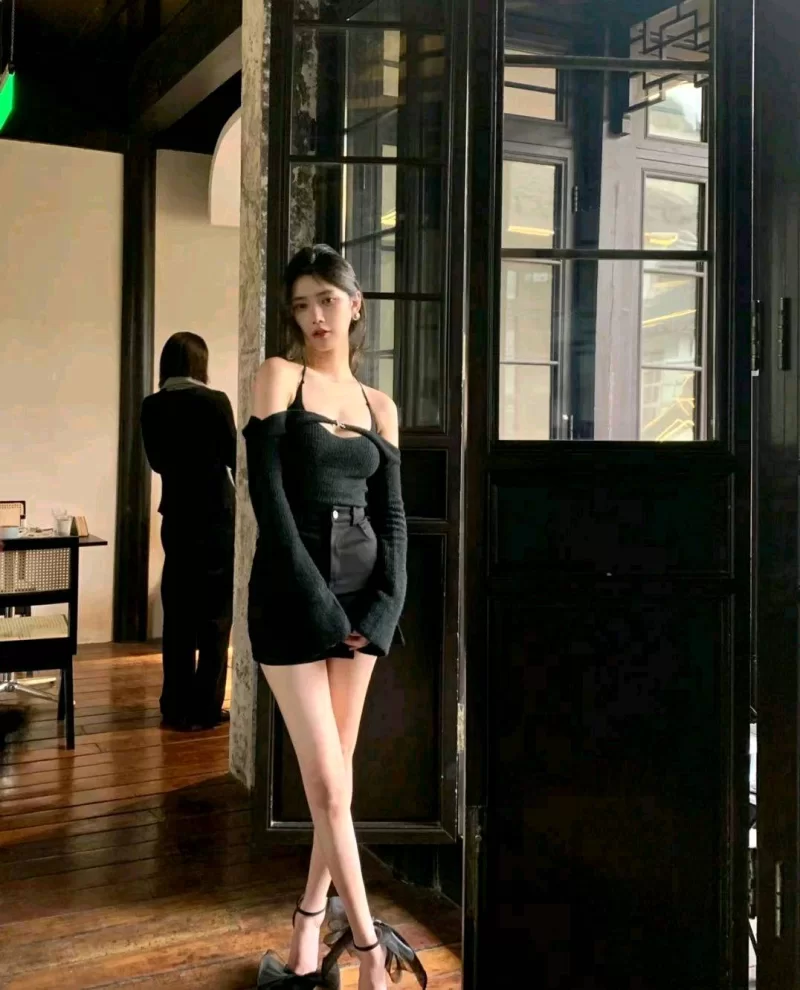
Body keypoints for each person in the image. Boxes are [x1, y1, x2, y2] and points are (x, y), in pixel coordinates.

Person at [243, 245, 425, 990]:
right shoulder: (279, 379)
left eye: (326, 299)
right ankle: (373, 954)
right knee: (326, 784)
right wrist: (320, 605)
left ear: (355, 305)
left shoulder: (381, 406)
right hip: (292, 598)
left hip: (362, 600)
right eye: (301, 305)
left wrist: (383, 607)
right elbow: (269, 502)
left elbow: (395, 517)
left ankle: (307, 933)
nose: (315, 316)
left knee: (336, 786)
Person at [141, 332, 236, 731]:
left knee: (178, 611)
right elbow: (234, 456)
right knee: (215, 616)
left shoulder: (151, 406)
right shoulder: (215, 402)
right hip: (217, 517)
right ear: (201, 363)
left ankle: (174, 704)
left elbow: (157, 462)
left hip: (177, 516)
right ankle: (205, 707)